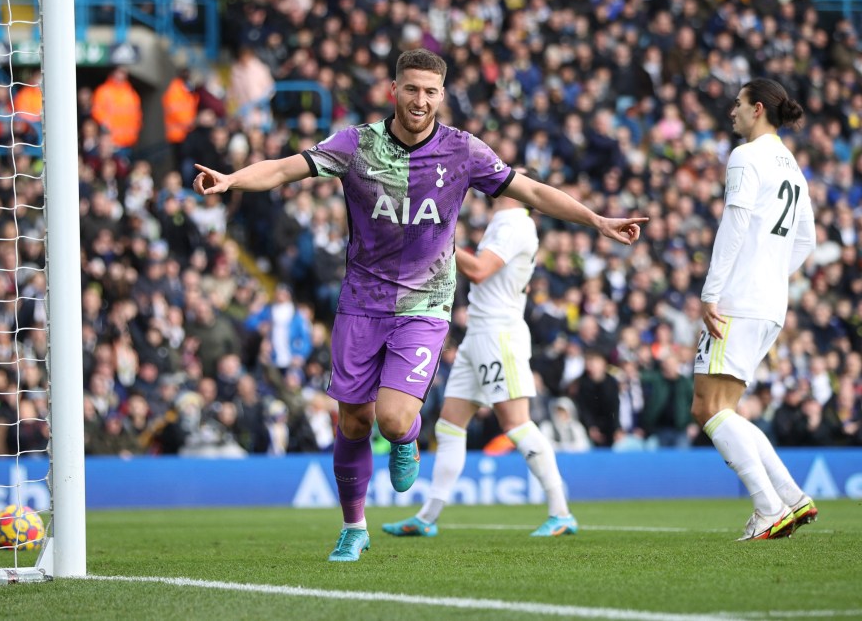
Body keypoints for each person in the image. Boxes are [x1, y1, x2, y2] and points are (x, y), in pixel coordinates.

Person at [193, 49, 647, 562]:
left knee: (390, 418)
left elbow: (533, 190)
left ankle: (406, 436)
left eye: (431, 91)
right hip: (361, 302)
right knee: (353, 422)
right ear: (393, 90)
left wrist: (598, 221)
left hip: (425, 304)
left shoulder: (463, 151)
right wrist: (232, 179)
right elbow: (283, 169)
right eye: (411, 88)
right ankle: (353, 527)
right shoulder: (357, 144)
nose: (420, 100)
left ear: (442, 95)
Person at [381, 172, 581, 539]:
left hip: (499, 333)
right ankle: (427, 516)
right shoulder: (504, 222)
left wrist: (438, 240)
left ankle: (561, 510)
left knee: (516, 423)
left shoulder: (514, 224)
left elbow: (482, 270)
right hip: (480, 332)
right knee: (450, 425)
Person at [691, 78, 818, 541]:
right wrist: (771, 273)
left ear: (757, 108)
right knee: (728, 408)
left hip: (739, 299)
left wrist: (712, 291)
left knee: (707, 407)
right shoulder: (793, 166)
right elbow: (807, 241)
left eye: (738, 104)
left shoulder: (746, 156)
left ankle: (768, 507)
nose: (732, 112)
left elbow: (735, 222)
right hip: (769, 303)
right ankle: (791, 496)